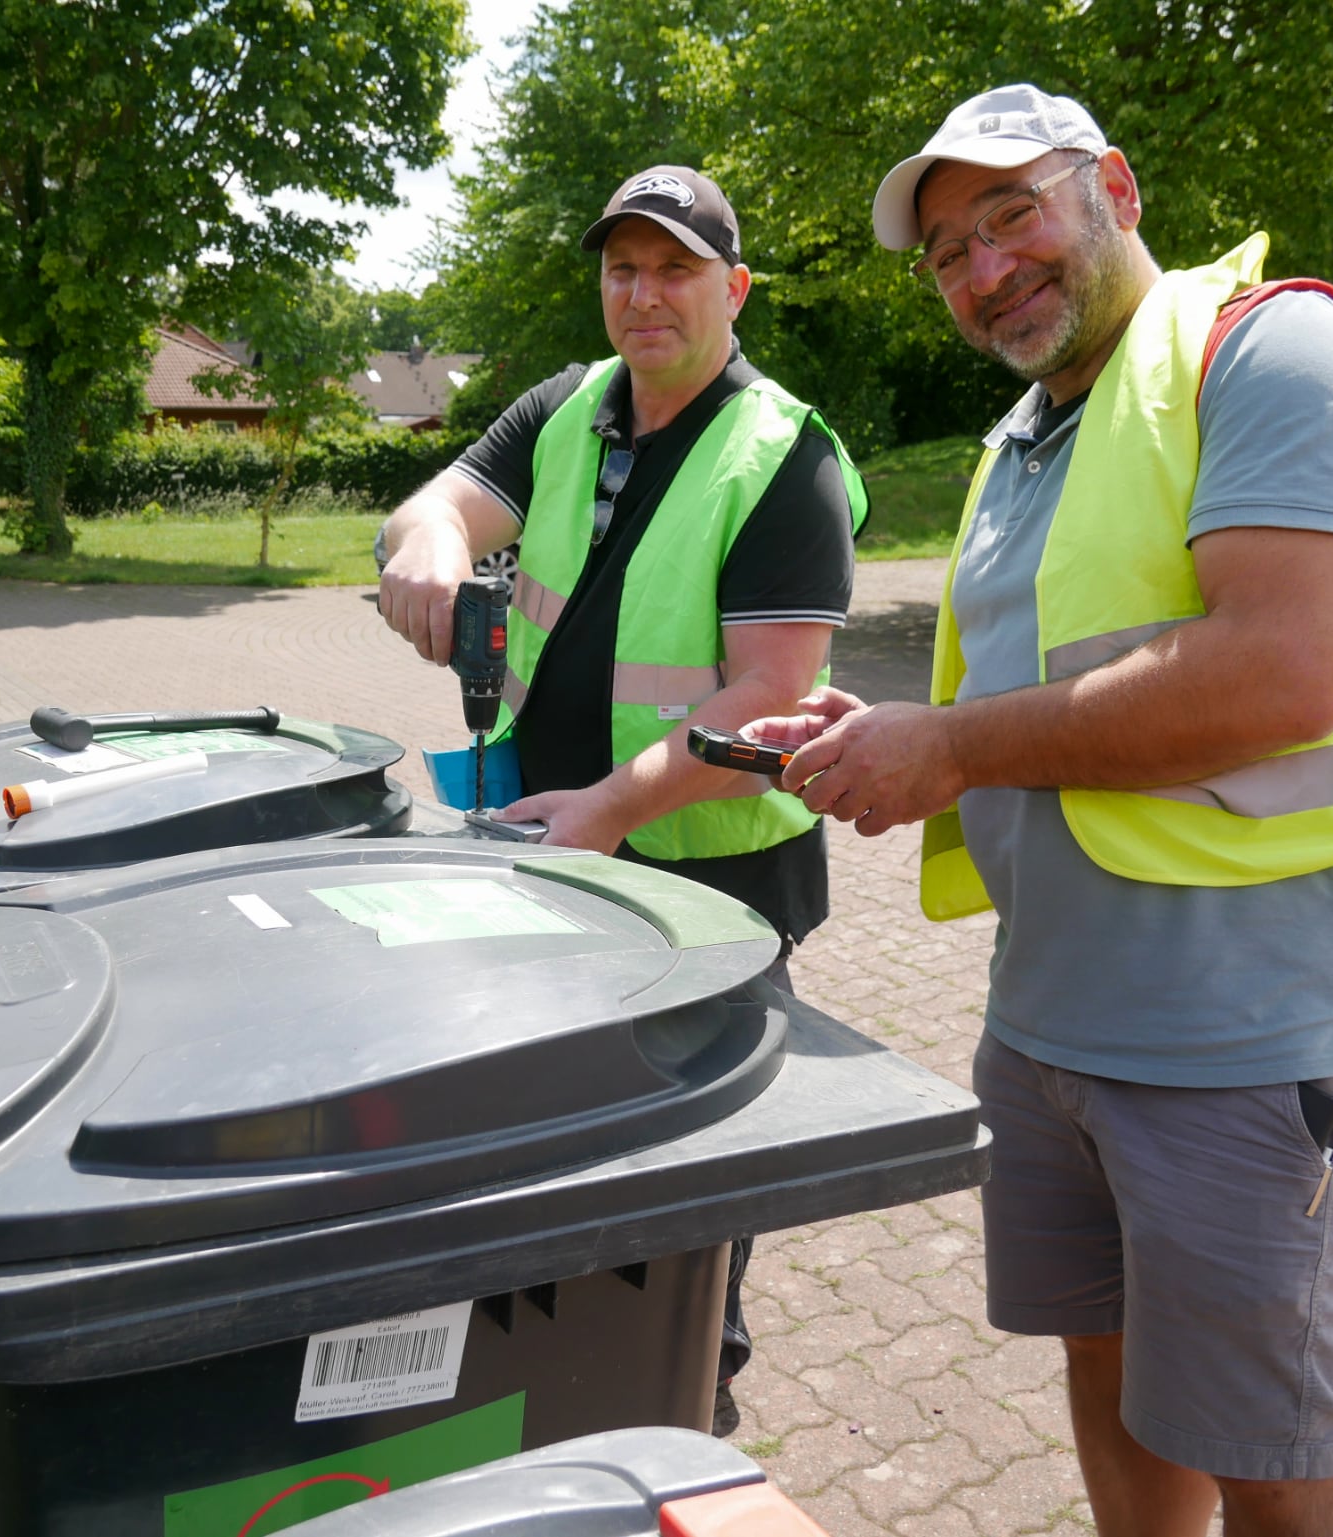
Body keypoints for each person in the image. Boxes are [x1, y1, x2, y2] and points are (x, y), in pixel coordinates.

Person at [744, 86, 1333, 1535]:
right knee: (1114, 1365)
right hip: (1052, 1018)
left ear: (1116, 188)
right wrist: (880, 734)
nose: (983, 267)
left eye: (1012, 213)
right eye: (947, 249)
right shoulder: (1027, 436)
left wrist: (947, 746)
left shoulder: (1278, 350)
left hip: (1247, 1033)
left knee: (1277, 1445)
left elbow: (1279, 671)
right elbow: (1046, 682)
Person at [374, 165, 870, 1407]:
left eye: (675, 269)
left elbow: (764, 688)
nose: (643, 295)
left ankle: (688, 1393)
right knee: (551, 1145)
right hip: (553, 855)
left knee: (689, 1179)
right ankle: (554, 1376)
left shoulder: (786, 456)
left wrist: (605, 813)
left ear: (733, 288)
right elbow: (440, 504)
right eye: (621, 269)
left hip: (709, 889)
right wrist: (427, 540)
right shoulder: (565, 407)